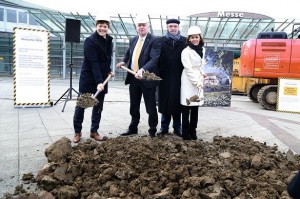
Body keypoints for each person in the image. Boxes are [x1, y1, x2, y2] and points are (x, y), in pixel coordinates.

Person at [116, 15, 161, 138]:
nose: (141, 27)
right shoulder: (133, 39)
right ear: (136, 27)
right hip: (133, 77)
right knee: (134, 105)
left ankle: (152, 130)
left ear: (148, 26)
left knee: (150, 106)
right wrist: (124, 61)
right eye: (139, 25)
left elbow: (154, 58)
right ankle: (133, 127)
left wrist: (143, 69)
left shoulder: (154, 40)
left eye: (143, 25)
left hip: (147, 78)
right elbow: (129, 53)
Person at [73, 14, 114, 143]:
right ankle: (77, 132)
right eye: (100, 26)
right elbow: (94, 62)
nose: (102, 28)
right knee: (82, 105)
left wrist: (108, 71)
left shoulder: (109, 40)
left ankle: (94, 131)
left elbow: (106, 59)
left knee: (98, 106)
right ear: (96, 26)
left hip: (102, 78)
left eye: (105, 26)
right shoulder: (90, 41)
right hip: (89, 78)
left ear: (108, 27)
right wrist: (99, 82)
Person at [157, 19, 187, 137]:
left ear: (178, 27)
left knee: (177, 104)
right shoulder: (160, 41)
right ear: (167, 27)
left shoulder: (185, 41)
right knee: (165, 103)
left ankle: (177, 128)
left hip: (180, 78)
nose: (173, 28)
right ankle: (164, 128)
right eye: (170, 26)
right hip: (164, 78)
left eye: (175, 26)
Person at [180, 26, 206, 140]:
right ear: (189, 39)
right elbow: (188, 69)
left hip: (198, 79)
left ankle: (193, 131)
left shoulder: (202, 49)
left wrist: (202, 72)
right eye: (192, 37)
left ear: (200, 38)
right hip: (188, 80)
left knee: (196, 107)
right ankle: (185, 133)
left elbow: (199, 65)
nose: (195, 39)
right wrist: (196, 82)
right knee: (187, 106)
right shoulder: (186, 51)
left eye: (197, 37)